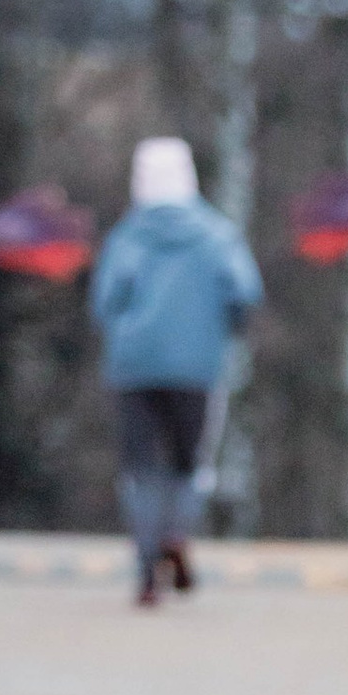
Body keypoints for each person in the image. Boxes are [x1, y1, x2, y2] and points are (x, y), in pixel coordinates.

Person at [88, 136, 263, 603]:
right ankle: (176, 534)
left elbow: (104, 303)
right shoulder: (217, 235)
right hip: (198, 365)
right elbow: (244, 292)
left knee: (140, 467)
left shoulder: (126, 237)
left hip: (133, 365)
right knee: (190, 462)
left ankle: (147, 563)